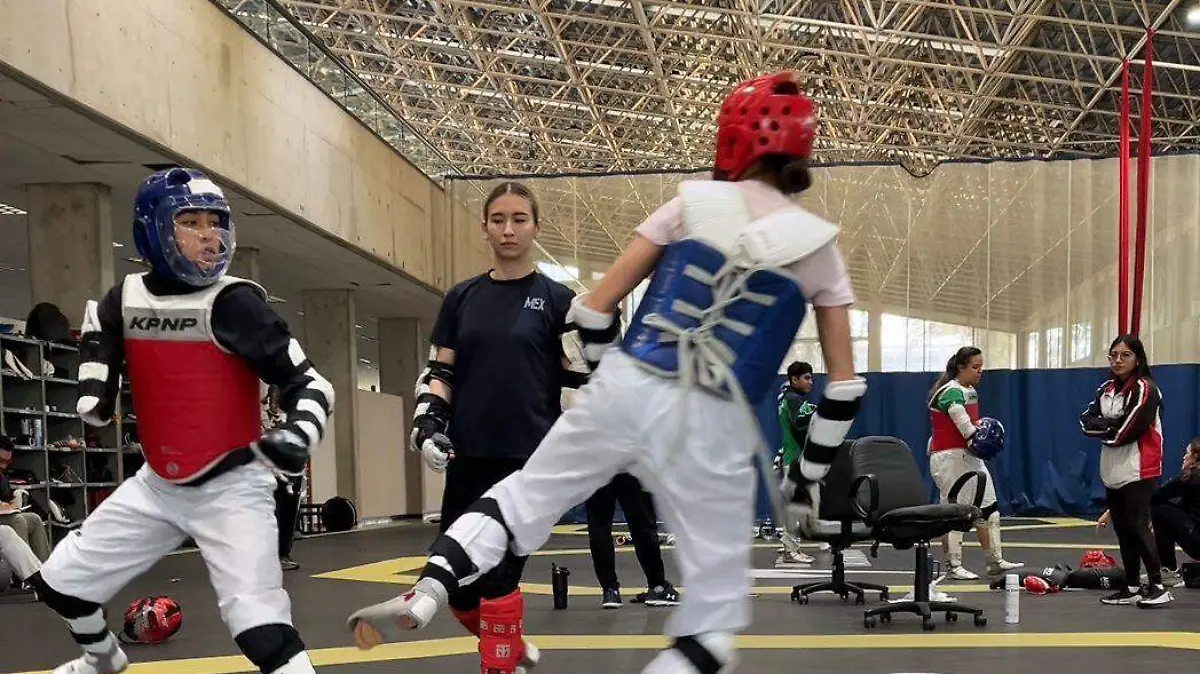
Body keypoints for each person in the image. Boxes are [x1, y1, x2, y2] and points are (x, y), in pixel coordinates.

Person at [346, 70, 868, 674]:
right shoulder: (819, 248)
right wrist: (805, 479)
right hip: (711, 425)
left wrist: (610, 380)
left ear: (730, 137)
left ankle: (433, 587)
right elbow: (845, 388)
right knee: (714, 618)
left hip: (630, 382)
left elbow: (591, 309)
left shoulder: (690, 205)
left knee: (516, 503)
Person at [27, 167, 335, 674]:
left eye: (215, 223)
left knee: (261, 629)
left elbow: (312, 384)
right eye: (190, 222)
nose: (209, 236)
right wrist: (95, 384)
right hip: (157, 483)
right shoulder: (125, 297)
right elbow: (102, 335)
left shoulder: (235, 303)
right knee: (59, 585)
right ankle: (102, 659)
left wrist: (299, 432)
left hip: (232, 487)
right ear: (152, 230)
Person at [405, 180, 580, 673]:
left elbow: (579, 383)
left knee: (500, 578)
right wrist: (428, 423)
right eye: (498, 219)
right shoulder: (462, 298)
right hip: (468, 456)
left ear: (535, 228)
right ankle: (509, 648)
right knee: (459, 585)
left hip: (527, 462)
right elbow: (442, 372)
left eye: (519, 219)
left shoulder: (557, 299)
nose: (508, 229)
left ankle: (499, 664)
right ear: (485, 228)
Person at [1079, 334, 1171, 607]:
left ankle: (1157, 585)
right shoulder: (1105, 389)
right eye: (1113, 355)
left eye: (1125, 355)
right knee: (1122, 529)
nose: (1117, 360)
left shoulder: (1146, 389)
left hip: (1139, 467)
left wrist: (1105, 428)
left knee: (1138, 525)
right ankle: (1131, 585)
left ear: (1138, 359)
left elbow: (1126, 432)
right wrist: (1108, 427)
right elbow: (1084, 421)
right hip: (1112, 469)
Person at [926, 347, 1021, 580]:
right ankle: (953, 564)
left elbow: (972, 429)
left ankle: (994, 561)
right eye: (975, 367)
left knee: (989, 509)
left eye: (981, 367)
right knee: (954, 511)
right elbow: (967, 428)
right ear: (961, 368)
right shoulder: (951, 392)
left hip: (969, 457)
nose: (980, 372)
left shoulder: (969, 390)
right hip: (951, 458)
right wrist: (981, 436)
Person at [1097, 438, 1200, 588]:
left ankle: (1169, 569)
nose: (1184, 457)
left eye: (1187, 453)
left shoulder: (1190, 477)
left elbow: (1153, 497)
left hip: (1197, 542)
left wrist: (1110, 512)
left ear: (1195, 458)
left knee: (1158, 509)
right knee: (1166, 510)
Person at [586, 472, 679, 608]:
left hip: (599, 463)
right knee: (642, 523)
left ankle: (610, 591)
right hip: (629, 462)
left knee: (599, 526)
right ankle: (657, 586)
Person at [773, 361, 816, 565]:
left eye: (811, 377)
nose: (811, 382)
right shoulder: (795, 400)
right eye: (806, 378)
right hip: (798, 459)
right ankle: (790, 549)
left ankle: (787, 546)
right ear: (794, 379)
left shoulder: (786, 400)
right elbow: (800, 426)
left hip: (792, 458)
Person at [265, 385, 305, 572]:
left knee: (287, 512)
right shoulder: (261, 415)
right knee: (267, 513)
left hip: (289, 471)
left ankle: (283, 553)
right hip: (266, 471)